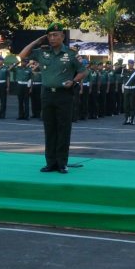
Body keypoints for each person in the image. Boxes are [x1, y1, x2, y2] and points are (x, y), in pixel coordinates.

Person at [18, 23, 87, 174]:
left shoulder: (71, 54)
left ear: (62, 36)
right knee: (49, 129)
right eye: (49, 35)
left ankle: (62, 163)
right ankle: (50, 162)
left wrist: (73, 81)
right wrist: (36, 41)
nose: (52, 38)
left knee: (63, 129)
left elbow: (83, 71)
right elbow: (22, 55)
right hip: (47, 94)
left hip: (64, 95)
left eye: (55, 35)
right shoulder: (42, 52)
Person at [121, 59, 135, 125]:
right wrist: (121, 67)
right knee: (126, 105)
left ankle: (132, 119)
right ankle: (127, 118)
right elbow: (118, 74)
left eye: (131, 64)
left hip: (133, 89)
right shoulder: (124, 71)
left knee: (132, 105)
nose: (129, 65)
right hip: (126, 89)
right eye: (129, 63)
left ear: (133, 64)